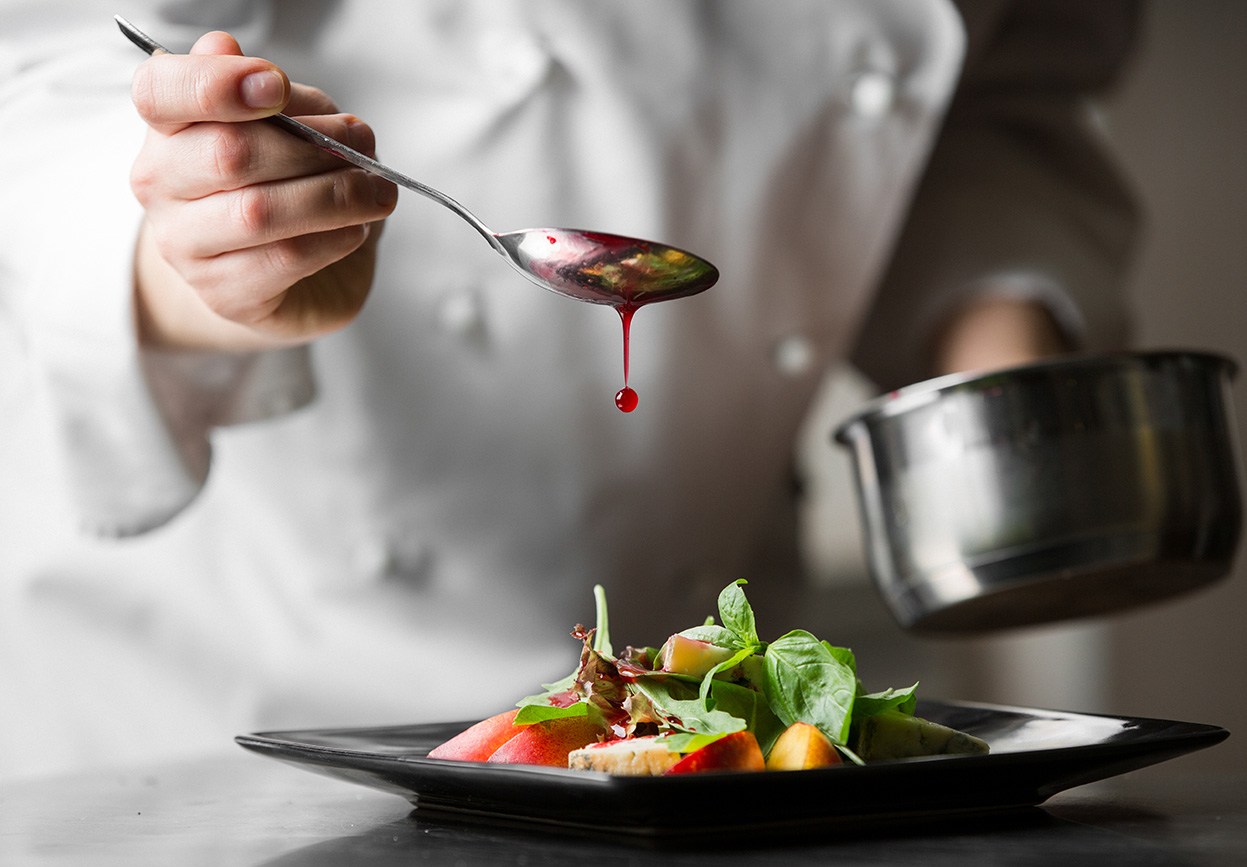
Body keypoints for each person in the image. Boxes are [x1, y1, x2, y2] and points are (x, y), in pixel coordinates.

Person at [0, 0, 1139, 779]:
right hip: (238, 693)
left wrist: (1001, 359)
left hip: (709, 710)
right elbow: (50, 75)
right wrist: (208, 253)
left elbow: (992, 99)